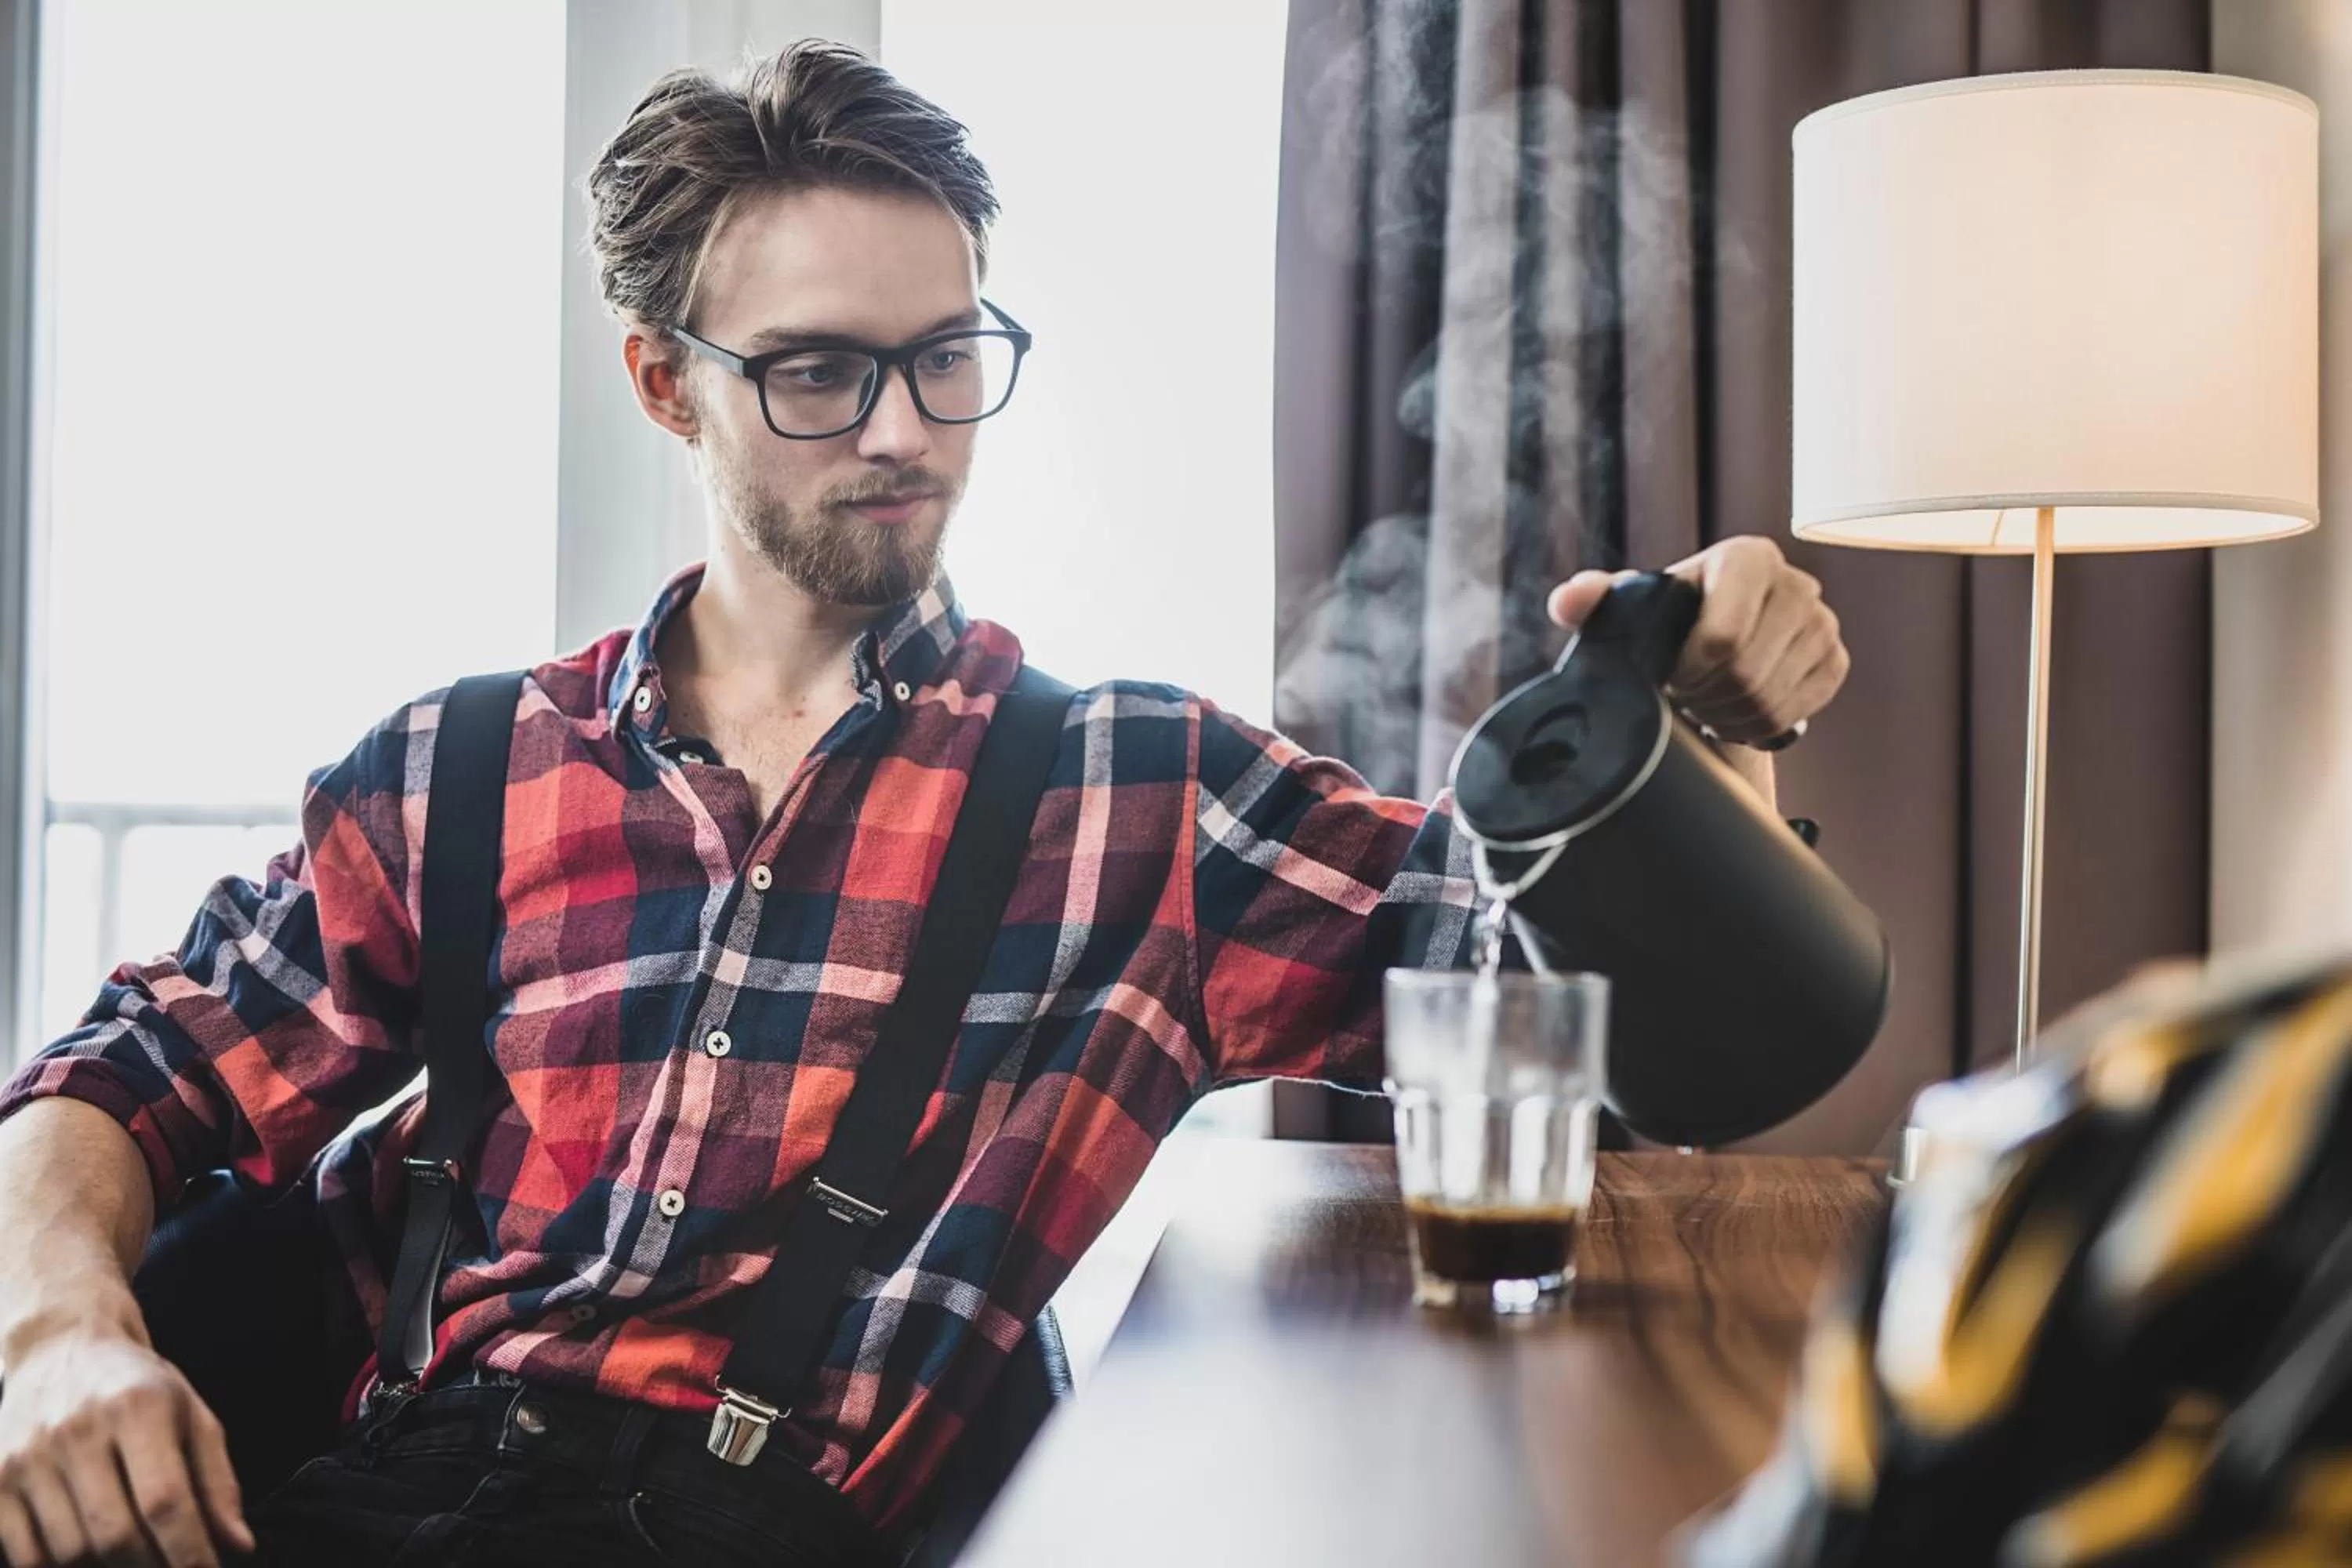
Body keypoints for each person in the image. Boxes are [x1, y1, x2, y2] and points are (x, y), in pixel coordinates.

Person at [0, 38, 1850, 1568]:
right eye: (818, 372)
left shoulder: (1143, 796)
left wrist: (1701, 723)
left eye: (945, 359)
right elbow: (114, 1082)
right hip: (363, 1504)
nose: (901, 431)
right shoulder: (459, 769)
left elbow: (1579, 1002)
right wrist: (59, 1331)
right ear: (669, 386)